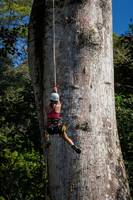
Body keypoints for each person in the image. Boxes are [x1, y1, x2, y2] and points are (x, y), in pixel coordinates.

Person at [42, 86, 81, 154]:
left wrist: (53, 93)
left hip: (50, 128)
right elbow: (58, 101)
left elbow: (51, 103)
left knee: (45, 132)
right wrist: (55, 91)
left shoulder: (47, 107)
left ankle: (48, 141)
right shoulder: (58, 106)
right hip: (58, 127)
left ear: (50, 100)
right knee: (66, 137)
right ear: (57, 100)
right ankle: (73, 145)